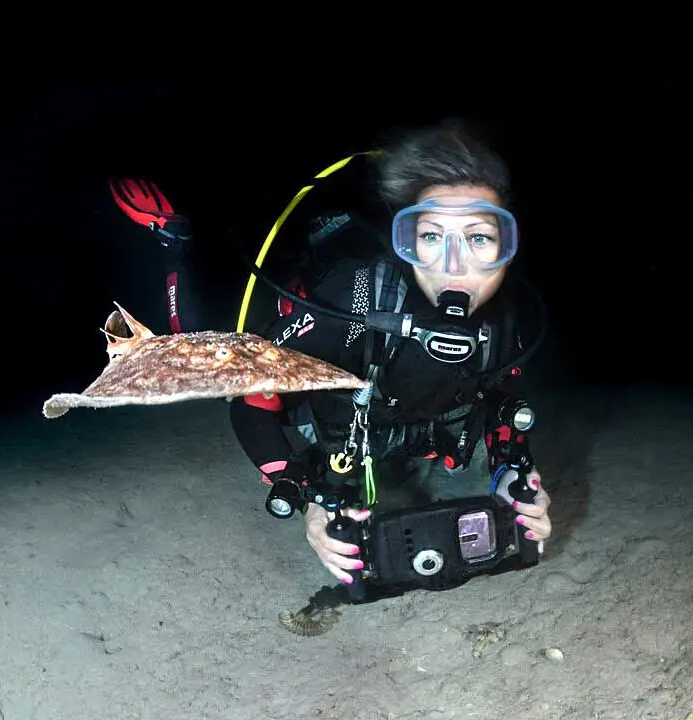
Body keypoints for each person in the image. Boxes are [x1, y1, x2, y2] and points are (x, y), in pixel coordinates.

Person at [113, 118, 552, 586]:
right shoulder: (354, 298)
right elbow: (253, 401)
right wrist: (306, 495)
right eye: (430, 236)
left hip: (401, 426)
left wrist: (511, 475)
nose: (453, 264)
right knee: (202, 359)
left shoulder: (505, 321)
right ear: (406, 243)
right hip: (333, 409)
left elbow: (506, 402)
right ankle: (173, 241)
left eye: (479, 238)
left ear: (507, 247)